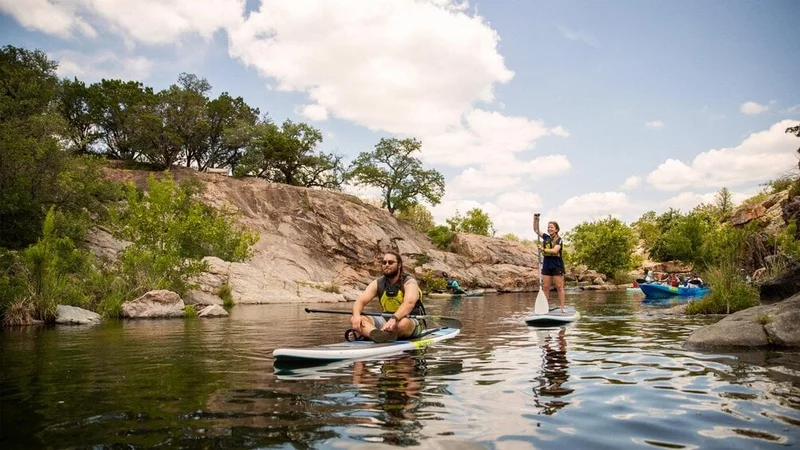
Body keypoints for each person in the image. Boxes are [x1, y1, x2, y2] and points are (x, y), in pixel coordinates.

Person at [350, 251, 427, 343]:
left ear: (399, 265)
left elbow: (409, 303)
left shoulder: (410, 282)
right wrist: (356, 316)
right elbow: (360, 301)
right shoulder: (378, 283)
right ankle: (376, 335)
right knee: (358, 319)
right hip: (386, 321)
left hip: (411, 320)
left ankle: (367, 335)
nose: (386, 265)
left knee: (402, 324)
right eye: (384, 262)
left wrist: (393, 319)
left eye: (390, 262)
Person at [533, 213, 566, 313]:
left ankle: (562, 308)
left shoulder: (559, 240)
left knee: (559, 287)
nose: (549, 229)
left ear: (556, 229)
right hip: (547, 263)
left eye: (551, 227)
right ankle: (545, 308)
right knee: (546, 287)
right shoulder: (546, 237)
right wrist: (535, 219)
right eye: (548, 227)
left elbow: (555, 251)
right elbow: (536, 230)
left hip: (556, 264)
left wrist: (543, 249)